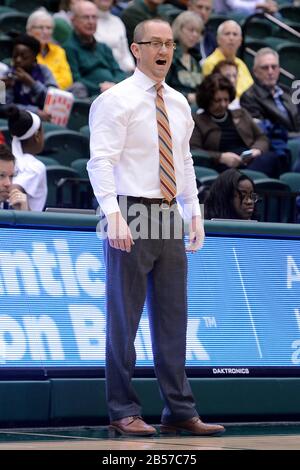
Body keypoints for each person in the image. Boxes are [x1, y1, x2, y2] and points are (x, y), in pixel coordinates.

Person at [87, 18, 225, 437]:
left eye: (169, 43)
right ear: (136, 49)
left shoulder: (180, 103)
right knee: (123, 319)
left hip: (168, 212)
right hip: (128, 209)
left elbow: (183, 162)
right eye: (155, 43)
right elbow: (101, 161)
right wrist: (112, 215)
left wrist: (194, 212)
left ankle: (179, 410)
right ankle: (122, 409)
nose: (164, 50)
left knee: (173, 318)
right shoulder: (116, 100)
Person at [190, 73, 282, 177]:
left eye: (226, 99)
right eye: (218, 100)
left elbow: (262, 138)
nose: (223, 104)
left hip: (250, 161)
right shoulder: (197, 121)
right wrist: (221, 157)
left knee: (271, 158)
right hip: (221, 166)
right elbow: (195, 151)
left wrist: (256, 150)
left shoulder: (241, 114)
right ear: (207, 100)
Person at [240, 47, 300, 172]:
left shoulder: (287, 92)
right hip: (277, 146)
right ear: (255, 71)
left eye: (274, 67)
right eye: (265, 67)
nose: (270, 71)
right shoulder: (249, 97)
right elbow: (267, 131)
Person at [64, 0, 127, 97]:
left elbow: (119, 72)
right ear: (73, 20)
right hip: (91, 96)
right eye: (86, 17)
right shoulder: (68, 48)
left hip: (113, 91)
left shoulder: (104, 47)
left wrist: (113, 86)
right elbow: (76, 79)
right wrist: (101, 88)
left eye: (94, 17)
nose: (91, 22)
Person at [4, 34, 57, 121]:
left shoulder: (44, 71)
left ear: (34, 57)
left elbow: (54, 100)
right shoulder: (6, 74)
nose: (18, 60)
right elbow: (4, 106)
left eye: (24, 57)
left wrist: (32, 83)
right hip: (18, 120)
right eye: (15, 56)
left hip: (47, 119)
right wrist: (35, 111)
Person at [8, 108, 47, 212]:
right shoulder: (35, 166)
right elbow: (14, 190)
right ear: (37, 136)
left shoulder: (9, 161)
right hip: (27, 226)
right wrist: (27, 215)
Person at [202, 20, 253, 98]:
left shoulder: (241, 63)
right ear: (218, 39)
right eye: (227, 34)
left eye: (235, 34)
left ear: (240, 41)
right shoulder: (210, 63)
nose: (231, 38)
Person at [26, 8, 73, 90]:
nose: (45, 32)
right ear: (29, 30)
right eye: (41, 27)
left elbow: (68, 80)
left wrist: (52, 88)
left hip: (60, 93)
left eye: (49, 28)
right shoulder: (24, 52)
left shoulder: (59, 51)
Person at [167, 11, 203, 105]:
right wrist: (186, 97)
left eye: (198, 32)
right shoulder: (169, 54)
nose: (195, 35)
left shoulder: (196, 59)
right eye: (191, 30)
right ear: (179, 29)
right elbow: (162, 88)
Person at [94, 0, 135, 73]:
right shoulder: (87, 22)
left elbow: (125, 54)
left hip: (123, 74)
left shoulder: (117, 21)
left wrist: (132, 69)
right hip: (101, 73)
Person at [0, 144, 29, 210]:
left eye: (11, 176)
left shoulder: (12, 207)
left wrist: (22, 214)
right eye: (1, 175)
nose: (8, 183)